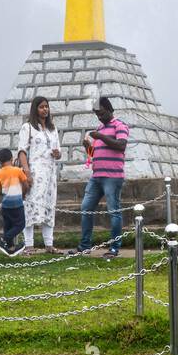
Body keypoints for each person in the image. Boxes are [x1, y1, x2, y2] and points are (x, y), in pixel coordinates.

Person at [71, 97, 129, 258]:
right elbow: (95, 154)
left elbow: (121, 145)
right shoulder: (100, 128)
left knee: (114, 212)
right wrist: (88, 147)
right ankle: (84, 246)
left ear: (109, 110)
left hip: (113, 177)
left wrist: (101, 137)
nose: (100, 117)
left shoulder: (120, 125)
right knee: (86, 208)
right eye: (97, 114)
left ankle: (114, 248)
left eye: (101, 113)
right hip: (96, 176)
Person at [17, 95, 63, 253]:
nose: (45, 109)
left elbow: (59, 152)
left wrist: (57, 154)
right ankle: (29, 245)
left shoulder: (52, 128)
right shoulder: (27, 127)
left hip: (50, 174)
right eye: (42, 107)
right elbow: (22, 152)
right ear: (35, 109)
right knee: (30, 208)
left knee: (49, 206)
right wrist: (27, 172)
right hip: (35, 172)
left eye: (47, 106)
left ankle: (49, 244)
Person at [0, 148, 31, 255]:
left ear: (0, 161)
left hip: (5, 205)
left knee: (8, 226)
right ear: (12, 158)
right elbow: (26, 185)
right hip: (17, 204)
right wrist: (23, 194)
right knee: (20, 225)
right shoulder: (17, 171)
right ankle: (2, 239)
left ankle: (9, 248)